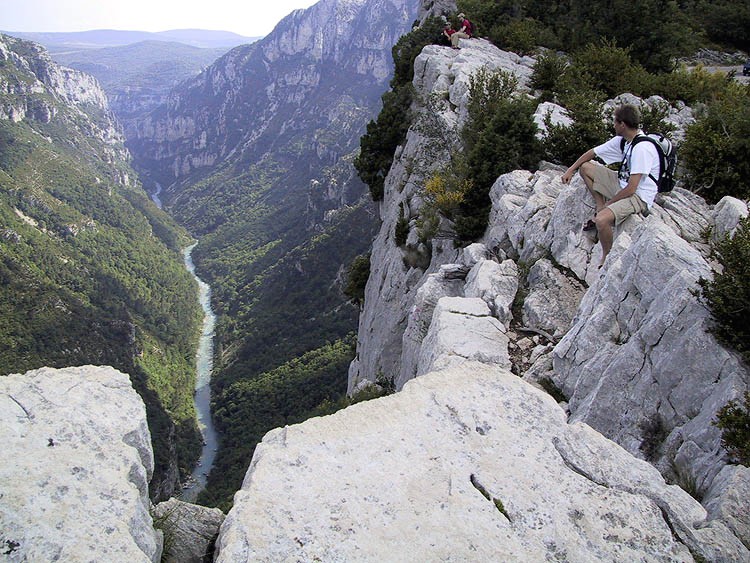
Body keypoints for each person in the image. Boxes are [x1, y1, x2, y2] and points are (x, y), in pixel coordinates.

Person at [561, 104, 659, 267]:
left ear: (622, 124)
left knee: (601, 220)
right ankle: (600, 205)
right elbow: (592, 153)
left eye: (615, 122)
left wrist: (610, 204)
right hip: (621, 183)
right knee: (586, 168)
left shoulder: (642, 148)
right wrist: (571, 170)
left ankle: (606, 255)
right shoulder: (625, 141)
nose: (613, 125)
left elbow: (632, 188)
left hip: (638, 196)